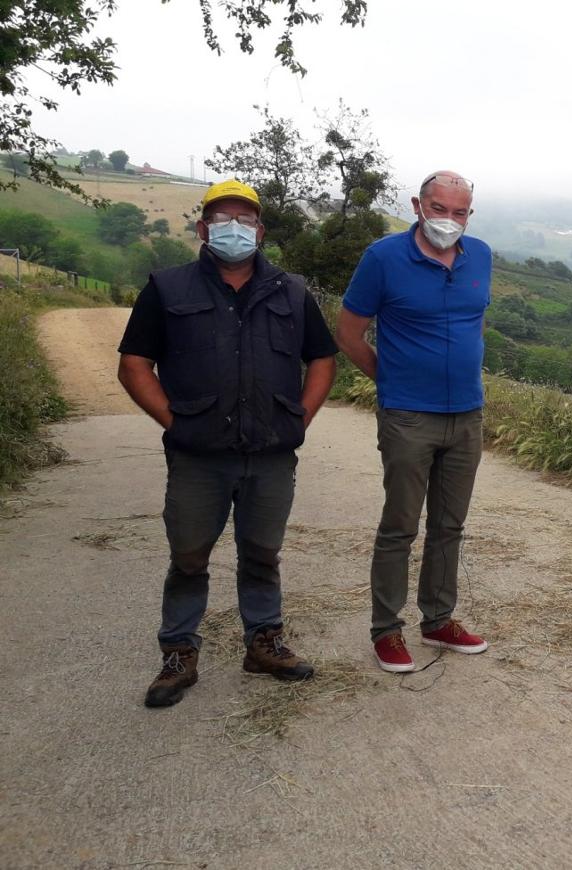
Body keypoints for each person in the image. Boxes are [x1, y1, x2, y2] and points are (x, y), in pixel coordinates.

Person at [117, 179, 338, 708]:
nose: (233, 228)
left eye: (245, 219)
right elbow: (134, 365)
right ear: (203, 228)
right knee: (189, 557)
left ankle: (263, 643)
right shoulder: (167, 289)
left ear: (260, 231)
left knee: (262, 554)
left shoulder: (292, 290)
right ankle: (178, 653)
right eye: (222, 219)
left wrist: (299, 419)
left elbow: (323, 359)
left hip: (271, 455)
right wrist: (175, 422)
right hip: (198, 457)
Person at [336, 171, 492, 673]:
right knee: (400, 526)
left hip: (466, 414)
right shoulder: (383, 257)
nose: (449, 219)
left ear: (470, 215)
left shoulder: (481, 256)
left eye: (460, 212)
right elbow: (349, 334)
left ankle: (438, 620)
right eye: (439, 208)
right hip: (408, 416)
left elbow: (474, 320)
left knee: (449, 525)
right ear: (417, 205)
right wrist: (392, 382)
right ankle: (386, 629)